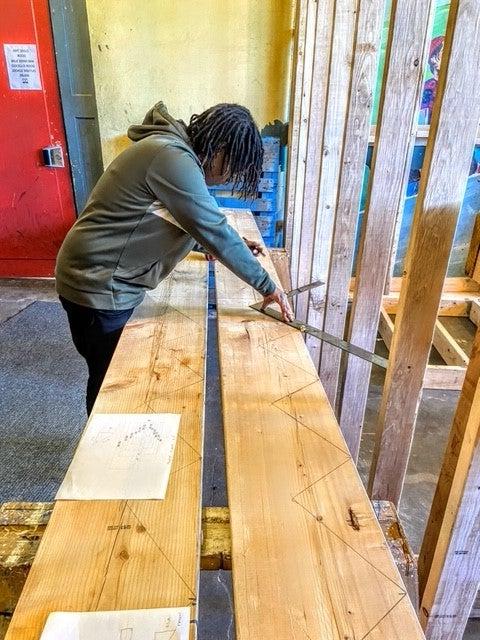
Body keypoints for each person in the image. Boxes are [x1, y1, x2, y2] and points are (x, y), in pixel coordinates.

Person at [55, 101, 293, 414]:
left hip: (101, 277)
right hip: (97, 284)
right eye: (232, 165)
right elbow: (211, 227)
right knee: (111, 385)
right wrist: (268, 286)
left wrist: (210, 244)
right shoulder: (172, 158)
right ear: (218, 148)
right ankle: (106, 455)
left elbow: (170, 218)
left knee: (115, 376)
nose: (230, 176)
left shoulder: (172, 151)